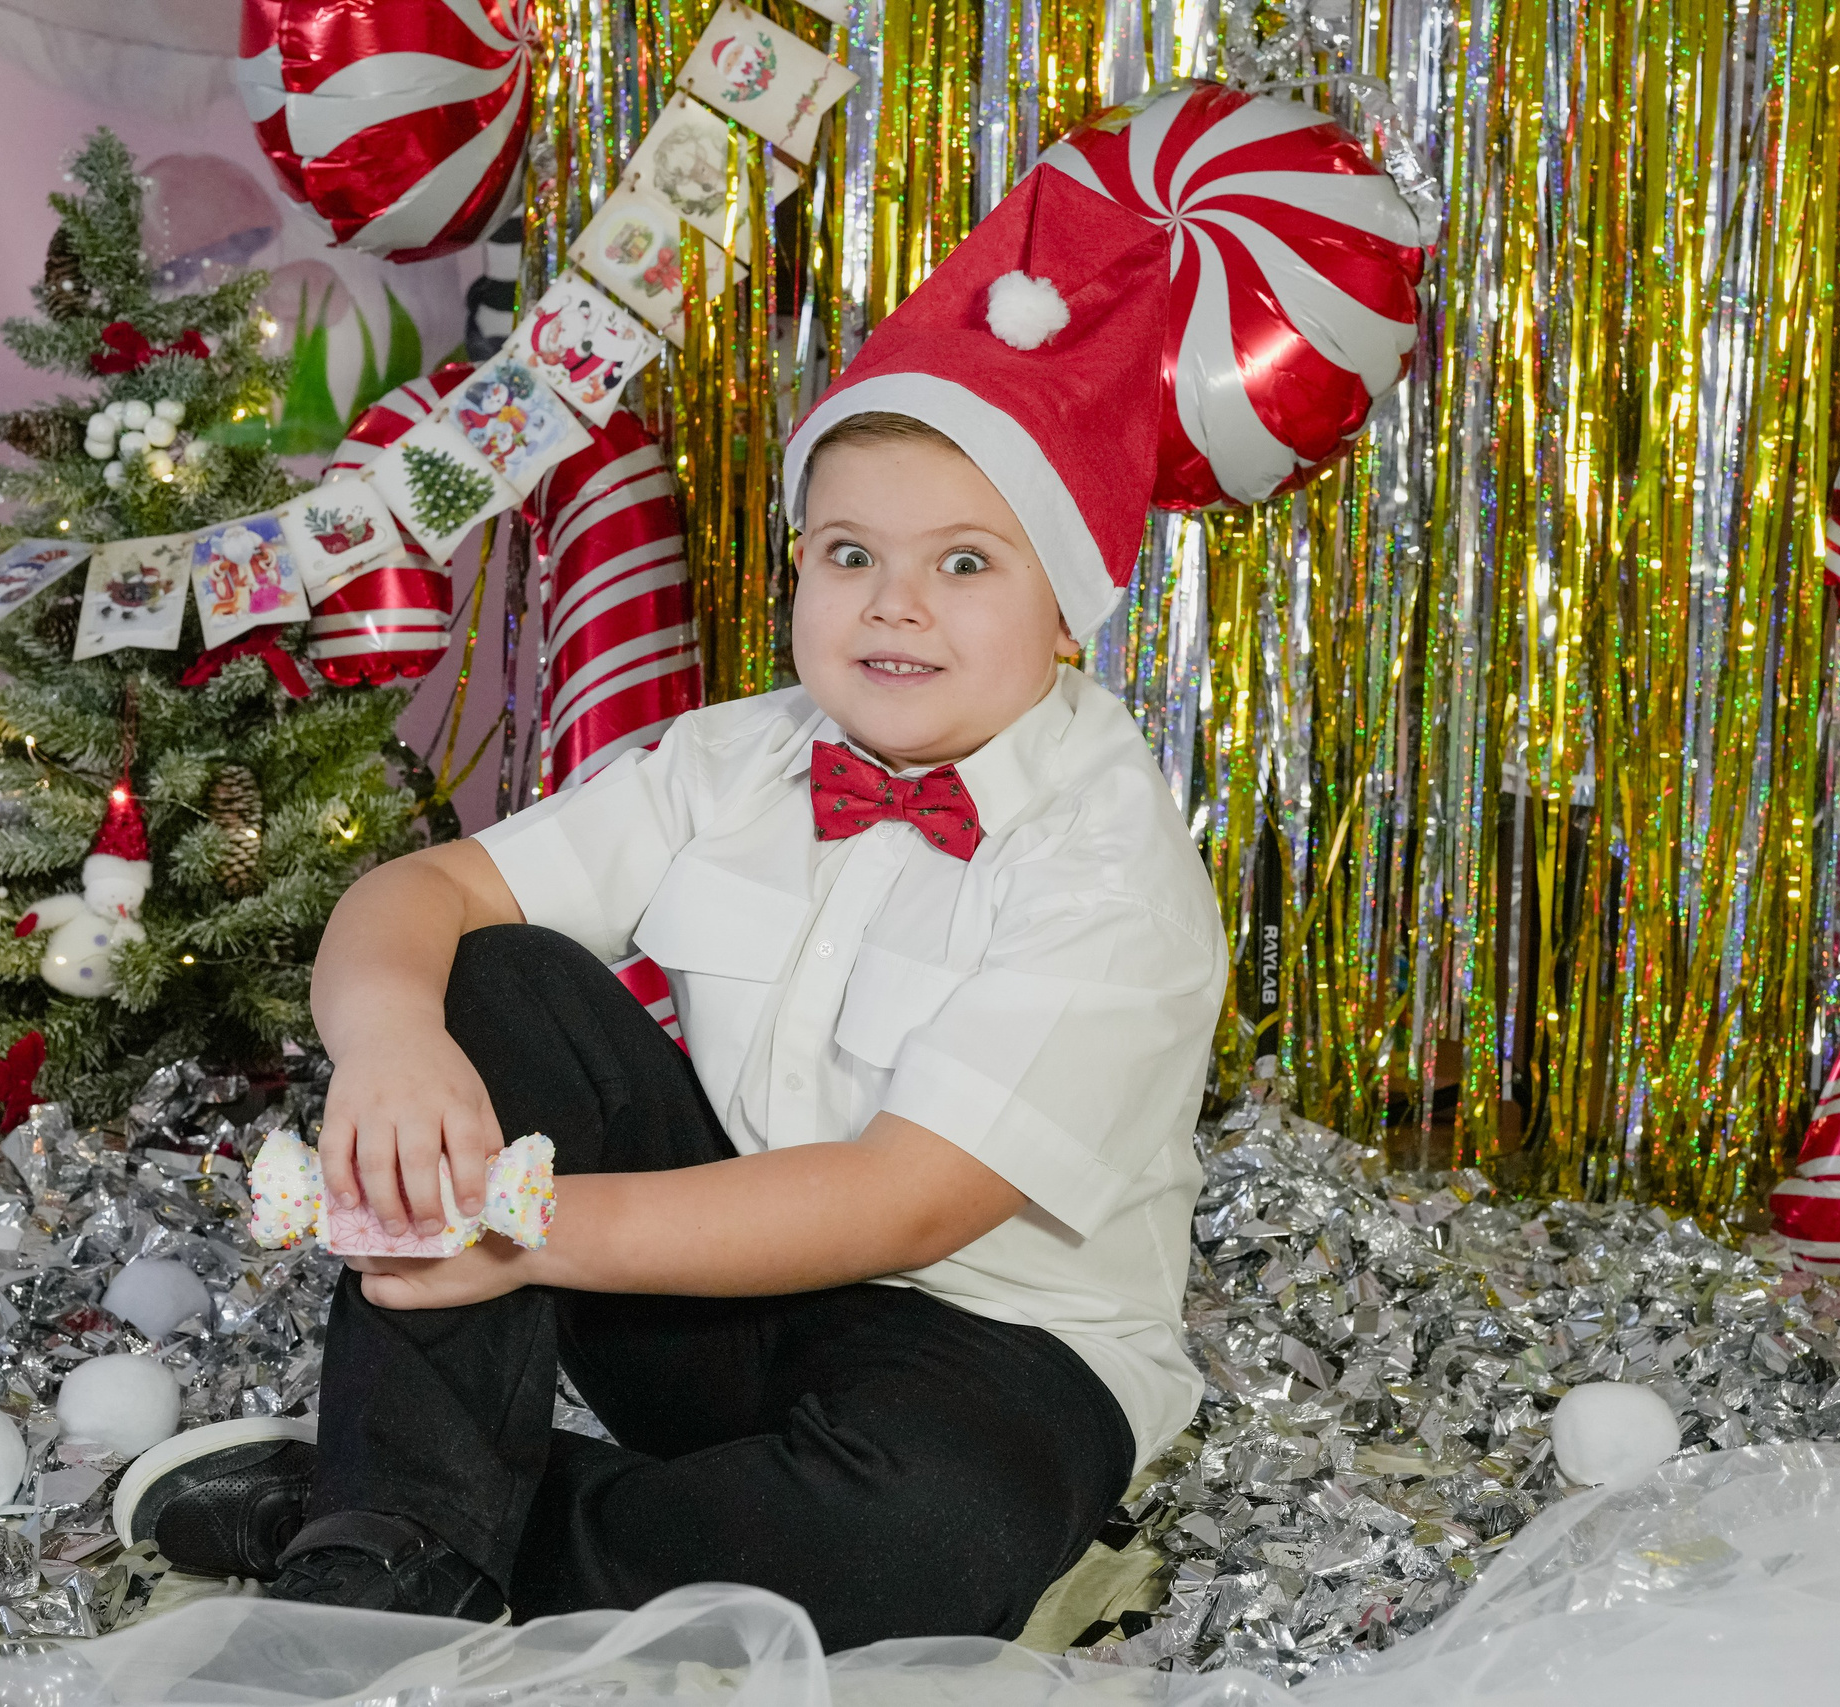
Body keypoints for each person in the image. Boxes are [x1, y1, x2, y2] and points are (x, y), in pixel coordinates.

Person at [112, 169, 1226, 1649]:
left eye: (965, 562)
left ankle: (392, 1501)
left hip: (996, 1350)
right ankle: (387, 1557)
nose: (895, 605)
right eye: (850, 556)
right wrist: (391, 1044)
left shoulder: (1109, 865)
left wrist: (518, 1231)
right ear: (799, 570)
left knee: (923, 1550)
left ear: (1071, 600)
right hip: (703, 1295)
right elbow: (422, 890)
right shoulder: (733, 759)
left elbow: (910, 1198)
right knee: (488, 975)